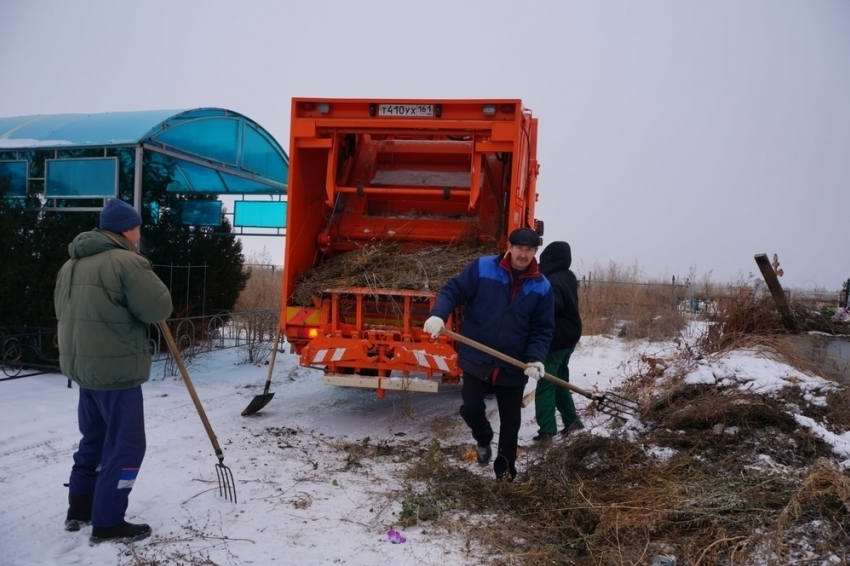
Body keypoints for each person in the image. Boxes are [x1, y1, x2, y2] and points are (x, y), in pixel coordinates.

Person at [54, 198, 173, 544]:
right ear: (127, 229)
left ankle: (79, 508)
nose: (139, 233)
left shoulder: (71, 264)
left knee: (93, 439)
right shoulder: (126, 262)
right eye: (137, 227)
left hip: (84, 369)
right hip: (116, 372)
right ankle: (107, 522)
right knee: (127, 446)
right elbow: (157, 308)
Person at [424, 227, 554, 481]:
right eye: (519, 248)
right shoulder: (483, 268)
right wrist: (439, 314)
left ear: (535, 252)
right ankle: (483, 437)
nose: (523, 254)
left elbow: (542, 329)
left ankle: (505, 473)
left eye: (529, 250)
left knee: (511, 423)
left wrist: (535, 358)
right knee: (471, 408)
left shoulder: (542, 287)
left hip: (513, 365)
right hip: (477, 358)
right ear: (510, 246)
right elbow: (453, 290)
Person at [533, 241, 584, 441]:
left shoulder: (553, 281)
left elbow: (550, 308)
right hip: (570, 336)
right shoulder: (568, 276)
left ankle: (546, 430)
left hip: (557, 339)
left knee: (546, 382)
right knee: (560, 381)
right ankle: (572, 422)